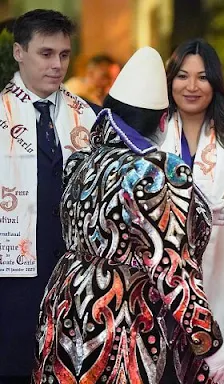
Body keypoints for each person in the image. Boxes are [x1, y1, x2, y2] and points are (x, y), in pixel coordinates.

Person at [31, 46, 224, 384]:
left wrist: (194, 204)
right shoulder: (158, 170)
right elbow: (172, 267)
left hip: (65, 304)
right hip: (121, 315)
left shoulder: (83, 159)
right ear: (161, 120)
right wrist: (209, 343)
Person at [0, 9, 97, 383]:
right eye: (46, 53)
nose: (57, 65)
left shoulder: (86, 115)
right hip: (12, 273)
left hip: (74, 273)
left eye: (64, 54)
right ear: (19, 52)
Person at [158, 38, 224, 384]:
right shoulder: (147, 139)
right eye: (182, 76)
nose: (192, 87)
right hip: (162, 280)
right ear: (169, 82)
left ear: (216, 82)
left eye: (202, 77)